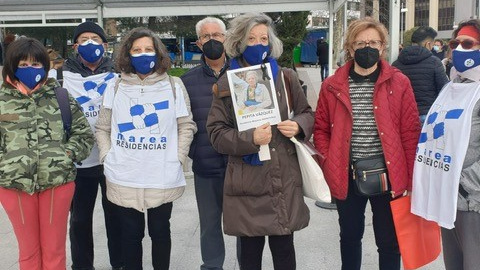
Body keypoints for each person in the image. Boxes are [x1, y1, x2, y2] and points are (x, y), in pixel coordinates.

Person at [207, 12, 313, 270]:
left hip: (282, 178)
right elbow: (216, 133)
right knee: (250, 257)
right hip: (247, 181)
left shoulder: (286, 77)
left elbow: (307, 113)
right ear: (240, 42)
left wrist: (298, 125)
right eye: (251, 39)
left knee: (285, 253)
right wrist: (249, 139)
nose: (258, 45)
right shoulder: (227, 84)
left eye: (263, 38)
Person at [314, 17, 420, 270]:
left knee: (389, 241)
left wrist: (410, 179)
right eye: (360, 43)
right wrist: (329, 161)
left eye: (373, 42)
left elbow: (410, 131)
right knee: (350, 237)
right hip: (346, 173)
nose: (367, 48)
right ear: (350, 48)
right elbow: (320, 129)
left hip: (388, 174)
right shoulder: (332, 85)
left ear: (383, 47)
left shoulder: (399, 82)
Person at [95, 27, 197, 270]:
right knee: (130, 235)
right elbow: (102, 128)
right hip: (124, 175)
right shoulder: (115, 87)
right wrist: (107, 157)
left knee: (161, 232)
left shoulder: (174, 85)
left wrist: (178, 157)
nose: (143, 55)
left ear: (158, 53)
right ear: (127, 55)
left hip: (161, 174)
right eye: (137, 50)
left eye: (148, 49)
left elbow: (186, 125)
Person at [0, 37, 94, 270]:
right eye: (23, 65)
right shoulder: (2, 101)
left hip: (57, 183)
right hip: (15, 185)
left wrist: (67, 155)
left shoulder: (60, 96)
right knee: (28, 251)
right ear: (11, 66)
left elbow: (84, 135)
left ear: (45, 66)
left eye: (35, 64)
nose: (30, 70)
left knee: (54, 250)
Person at [411, 19, 480, 270]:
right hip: (449, 200)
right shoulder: (452, 87)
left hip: (473, 201)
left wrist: (464, 184)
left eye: (468, 43)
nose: (459, 48)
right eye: (455, 43)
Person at [62, 21, 124, 270]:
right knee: (79, 221)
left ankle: (119, 263)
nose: (90, 44)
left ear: (105, 45)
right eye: (84, 39)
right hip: (80, 161)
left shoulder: (120, 75)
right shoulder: (61, 76)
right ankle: (82, 265)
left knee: (117, 218)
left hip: (112, 159)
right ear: (75, 46)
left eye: (95, 39)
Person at [180, 17, 231, 270]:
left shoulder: (243, 73)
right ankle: (212, 266)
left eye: (217, 35)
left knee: (245, 223)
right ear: (199, 43)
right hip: (206, 166)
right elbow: (183, 122)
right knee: (209, 224)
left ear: (226, 38)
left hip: (239, 165)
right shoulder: (186, 81)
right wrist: (195, 152)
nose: (212, 41)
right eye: (206, 37)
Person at [392, 26, 448, 123]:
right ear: (428, 44)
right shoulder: (434, 62)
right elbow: (444, 90)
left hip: (404, 116)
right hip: (428, 115)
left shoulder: (396, 63)